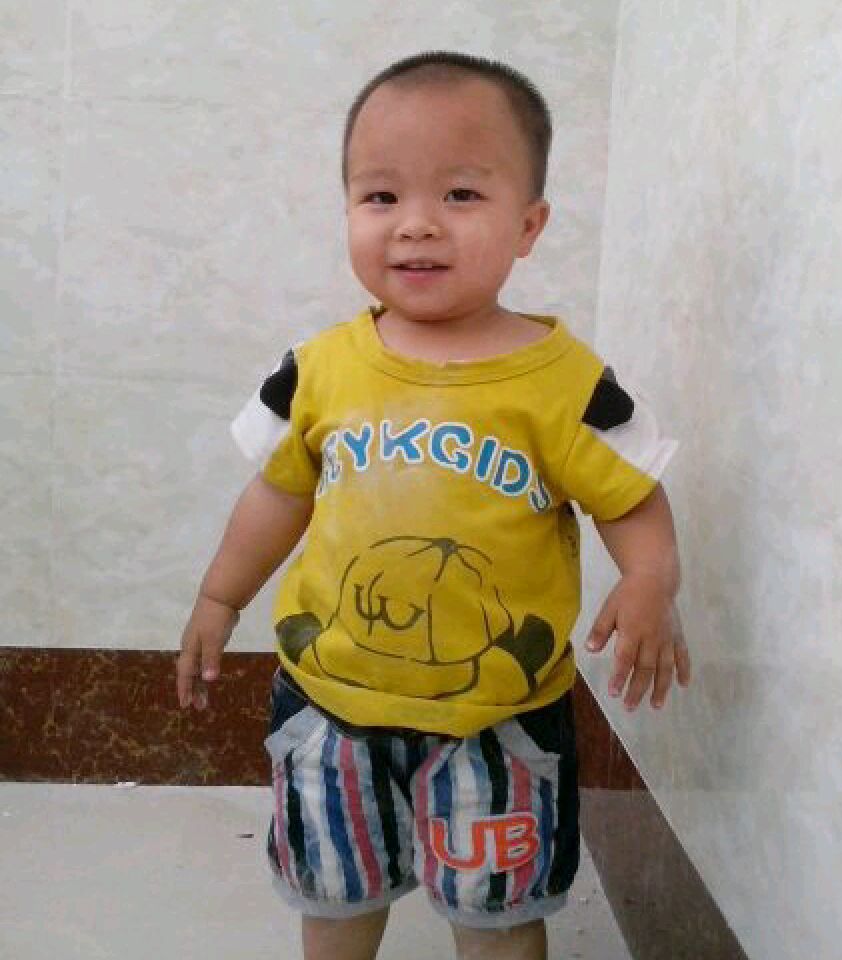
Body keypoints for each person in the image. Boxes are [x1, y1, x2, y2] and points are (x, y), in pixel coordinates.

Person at [176, 50, 691, 960]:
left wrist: (650, 579)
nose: (416, 224)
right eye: (381, 196)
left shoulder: (566, 385)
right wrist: (221, 595)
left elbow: (632, 498)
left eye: (460, 194)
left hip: (497, 717)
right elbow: (278, 495)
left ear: (528, 225)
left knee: (498, 912)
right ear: (347, 210)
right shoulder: (317, 369)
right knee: (334, 891)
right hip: (330, 705)